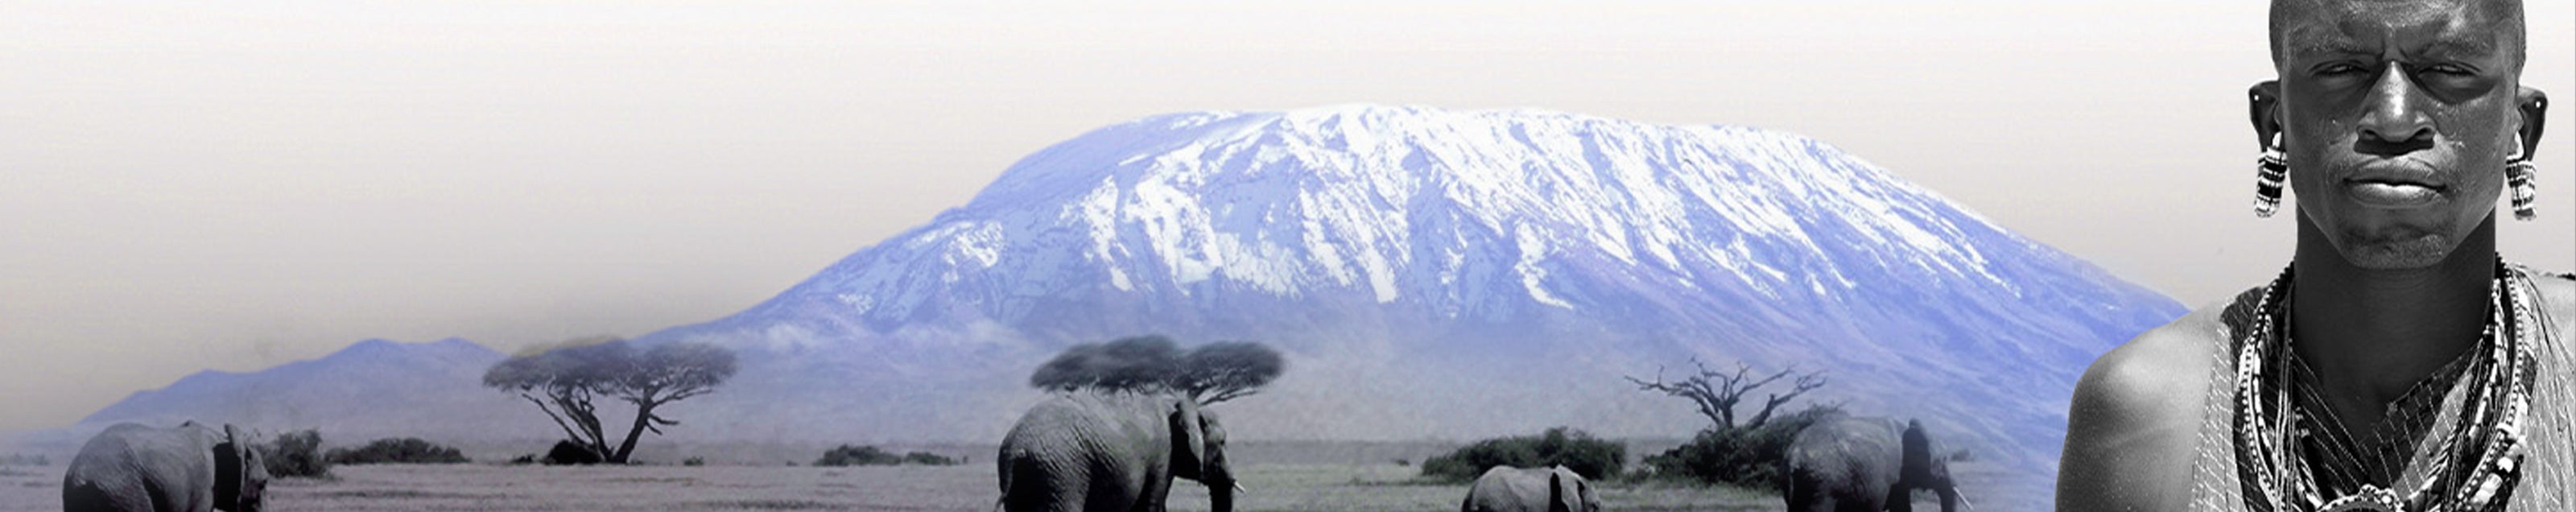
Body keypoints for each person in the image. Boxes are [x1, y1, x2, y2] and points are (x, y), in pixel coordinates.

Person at [2057, 0, 2568, 510]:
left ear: (2520, 127)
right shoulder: (2150, 416)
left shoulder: (2563, 377)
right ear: (2271, 120)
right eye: (2341, 69)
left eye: (2450, 70)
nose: (2392, 121)